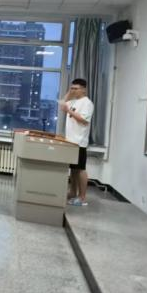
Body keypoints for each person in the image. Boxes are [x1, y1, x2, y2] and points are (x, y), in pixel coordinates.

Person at [61, 78, 95, 207]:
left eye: (76, 88)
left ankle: (82, 197)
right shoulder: (73, 101)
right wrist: (69, 93)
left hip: (79, 141)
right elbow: (62, 104)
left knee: (80, 169)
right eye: (72, 88)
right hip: (70, 141)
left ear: (84, 89)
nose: (73, 91)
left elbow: (84, 120)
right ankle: (72, 192)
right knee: (73, 170)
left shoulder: (87, 103)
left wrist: (69, 111)